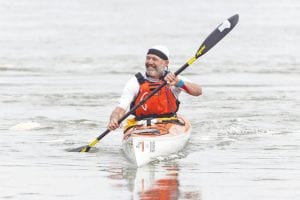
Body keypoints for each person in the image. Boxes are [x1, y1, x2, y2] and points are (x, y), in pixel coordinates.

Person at [107, 45, 202, 131]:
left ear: (165, 63)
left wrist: (179, 83)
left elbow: (198, 91)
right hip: (140, 125)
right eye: (148, 58)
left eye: (154, 59)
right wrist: (114, 119)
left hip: (169, 124)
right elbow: (120, 109)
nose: (150, 62)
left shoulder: (174, 79)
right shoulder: (135, 82)